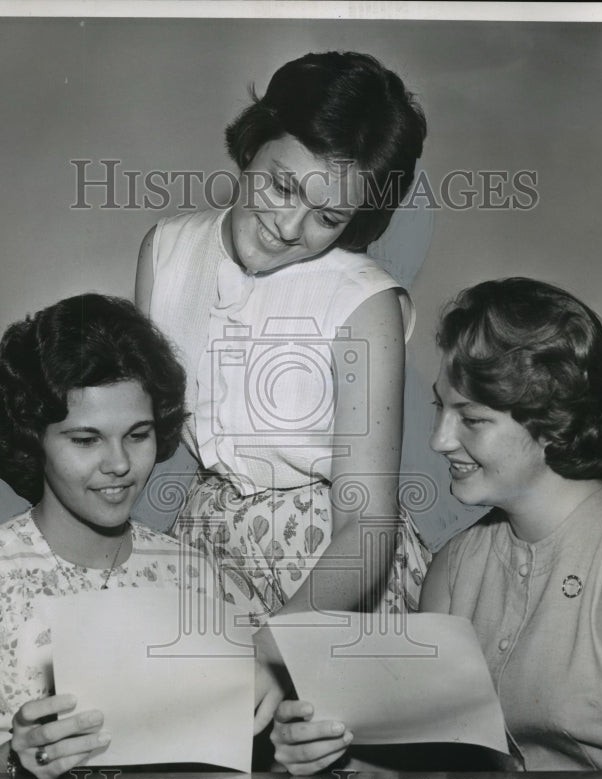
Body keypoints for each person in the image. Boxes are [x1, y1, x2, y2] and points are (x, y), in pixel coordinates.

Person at [270, 278, 602, 773]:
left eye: (471, 419)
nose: (439, 440)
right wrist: (332, 759)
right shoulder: (454, 569)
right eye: (440, 408)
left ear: (551, 421)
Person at [0, 294, 244, 778]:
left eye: (138, 434)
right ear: (34, 439)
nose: (118, 464)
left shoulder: (194, 573)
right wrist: (11, 761)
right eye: (86, 440)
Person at [135, 51, 432, 626]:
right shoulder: (166, 251)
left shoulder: (365, 300)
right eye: (282, 186)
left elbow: (366, 521)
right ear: (253, 143)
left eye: (328, 217)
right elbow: (139, 440)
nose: (290, 227)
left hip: (333, 571)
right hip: (205, 548)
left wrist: (282, 647)